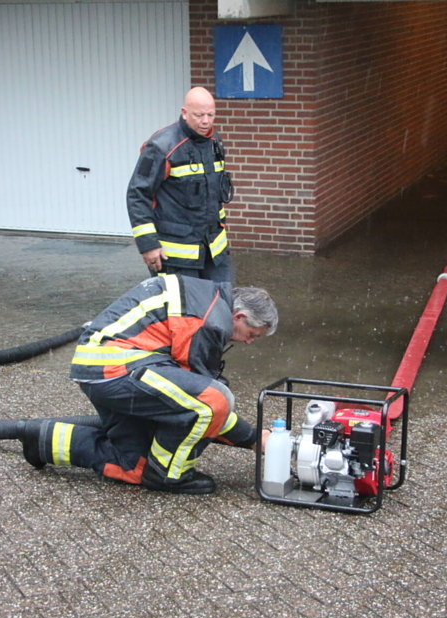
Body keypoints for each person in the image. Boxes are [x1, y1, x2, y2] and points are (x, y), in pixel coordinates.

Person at [24, 274, 278, 494]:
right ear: (240, 316)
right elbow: (205, 403)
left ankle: (43, 440)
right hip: (117, 369)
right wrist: (252, 438)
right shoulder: (210, 320)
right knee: (214, 400)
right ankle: (169, 475)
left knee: (133, 467)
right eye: (252, 335)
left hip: (99, 367)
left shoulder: (208, 300)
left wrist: (249, 437)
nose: (248, 343)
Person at [127, 87, 235, 283]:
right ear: (184, 113)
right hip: (176, 257)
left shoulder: (214, 142)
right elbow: (138, 195)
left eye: (211, 115)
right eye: (199, 115)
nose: (206, 121)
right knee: (182, 312)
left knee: (221, 306)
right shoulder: (161, 146)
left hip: (214, 253)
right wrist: (148, 245)